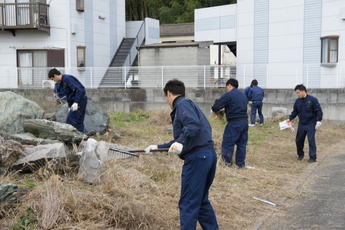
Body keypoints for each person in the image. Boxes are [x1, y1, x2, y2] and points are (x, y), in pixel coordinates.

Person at [145, 79, 219, 230]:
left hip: (197, 158)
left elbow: (192, 125)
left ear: (169, 93)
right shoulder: (190, 105)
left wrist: (181, 141)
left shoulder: (182, 104)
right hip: (208, 155)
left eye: (166, 97)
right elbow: (179, 141)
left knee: (188, 203)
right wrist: (157, 147)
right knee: (201, 202)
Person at [211, 78, 248, 168]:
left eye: (226, 87)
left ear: (229, 85)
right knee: (242, 144)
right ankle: (240, 164)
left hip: (234, 122)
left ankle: (227, 163)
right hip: (245, 122)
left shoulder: (228, 95)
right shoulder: (243, 95)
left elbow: (216, 107)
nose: (226, 89)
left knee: (228, 143)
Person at [287, 84, 323, 163]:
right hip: (302, 123)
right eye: (297, 93)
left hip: (311, 123)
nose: (298, 94)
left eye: (299, 92)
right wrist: (289, 119)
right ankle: (300, 154)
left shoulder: (313, 100)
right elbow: (295, 112)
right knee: (298, 140)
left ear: (303, 91)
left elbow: (318, 111)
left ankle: (313, 157)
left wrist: (318, 120)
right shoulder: (298, 101)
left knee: (311, 140)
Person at [48, 68, 88, 134]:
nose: (54, 81)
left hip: (80, 100)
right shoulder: (62, 82)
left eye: (53, 79)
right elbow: (69, 96)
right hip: (74, 102)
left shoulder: (67, 78)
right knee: (77, 120)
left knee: (72, 119)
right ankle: (83, 136)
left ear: (55, 75)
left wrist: (76, 102)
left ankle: (81, 136)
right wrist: (70, 106)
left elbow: (80, 90)